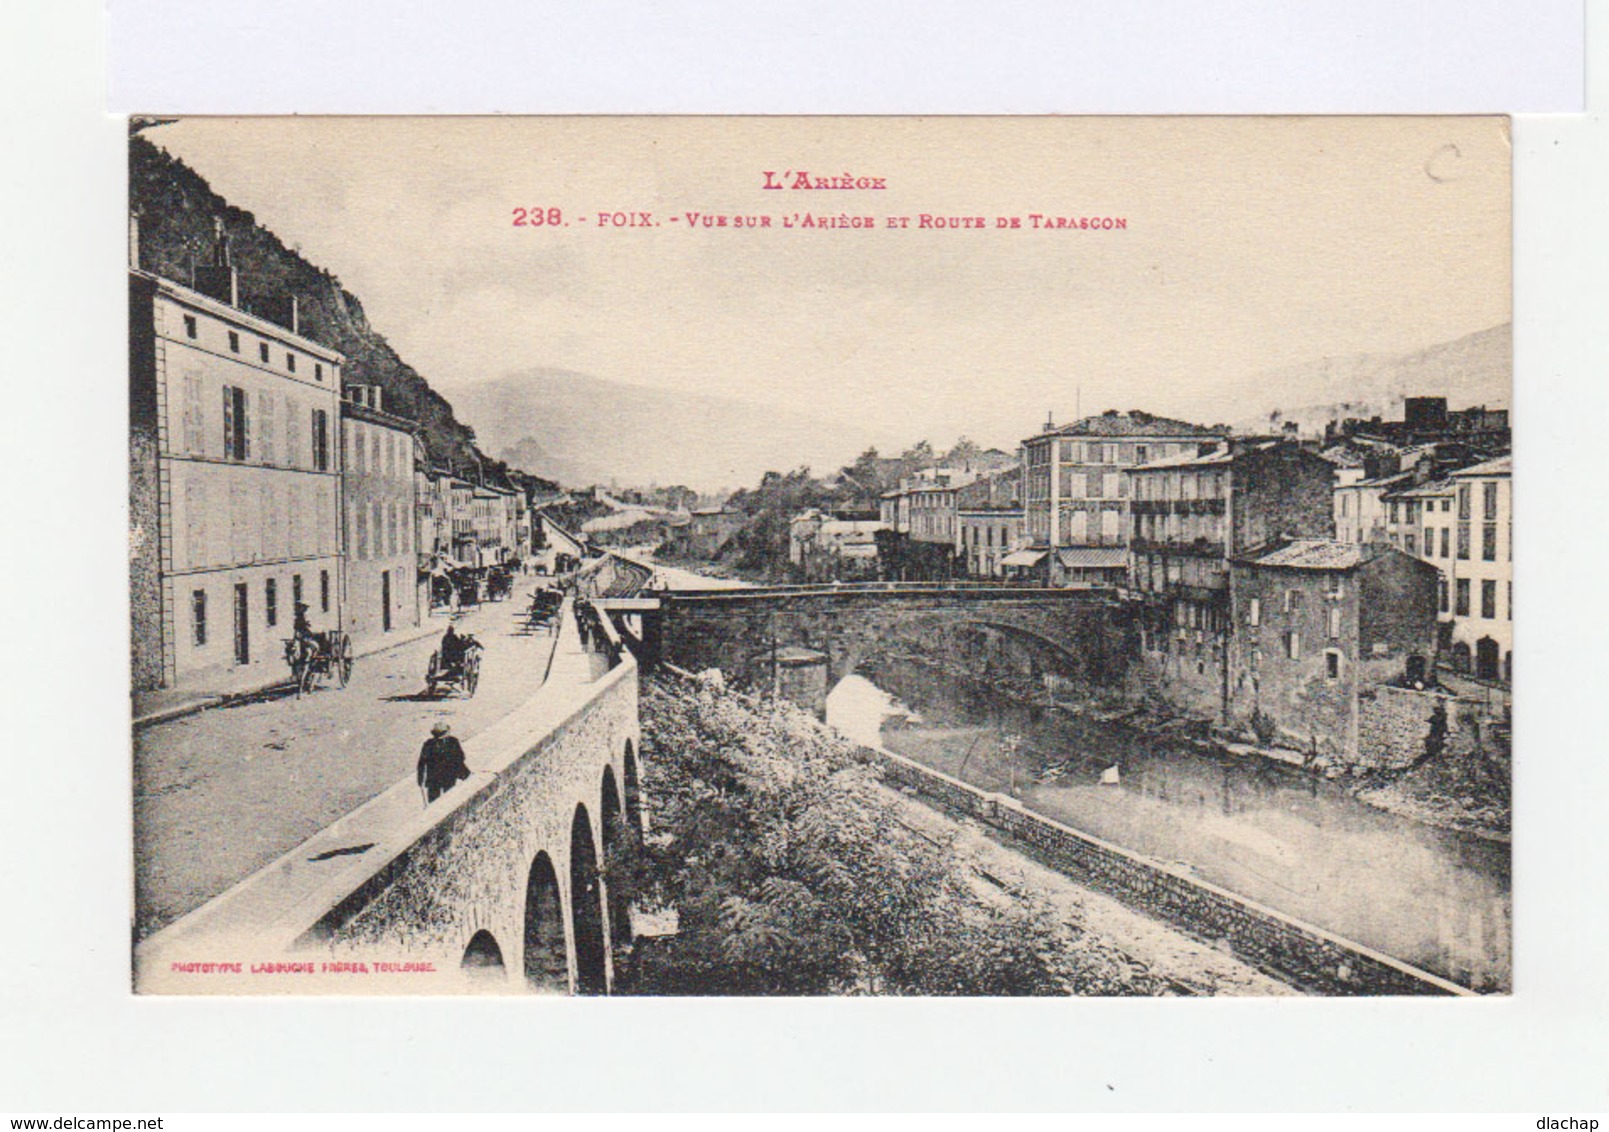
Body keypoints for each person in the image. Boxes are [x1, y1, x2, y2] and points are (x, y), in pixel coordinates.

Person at [417, 722, 471, 804]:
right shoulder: (453, 741)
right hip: (447, 777)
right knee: (448, 800)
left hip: (435, 778)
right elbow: (461, 758)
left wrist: (420, 780)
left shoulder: (429, 744)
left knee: (435, 802)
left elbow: (422, 763)